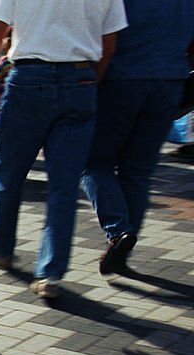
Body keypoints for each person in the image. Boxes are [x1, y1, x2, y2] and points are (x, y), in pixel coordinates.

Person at [0, 0, 128, 299]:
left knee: (9, 172)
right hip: (81, 79)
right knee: (63, 186)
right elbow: (110, 43)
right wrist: (88, 82)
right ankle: (50, 273)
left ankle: (1, 247)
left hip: (28, 79)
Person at [80, 1, 194, 275]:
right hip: (169, 82)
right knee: (138, 172)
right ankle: (123, 247)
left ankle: (118, 231)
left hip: (119, 80)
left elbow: (97, 32)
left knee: (93, 162)